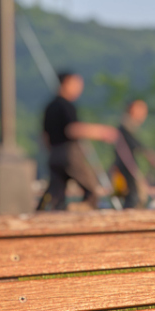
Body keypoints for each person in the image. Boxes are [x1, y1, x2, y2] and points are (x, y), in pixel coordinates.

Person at [41, 72, 117, 210]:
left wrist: (53, 152)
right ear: (67, 83)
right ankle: (75, 210)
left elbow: (44, 136)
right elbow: (73, 129)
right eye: (77, 84)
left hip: (53, 154)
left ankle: (47, 214)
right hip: (69, 154)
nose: (79, 89)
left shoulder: (49, 106)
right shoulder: (66, 105)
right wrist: (102, 132)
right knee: (92, 190)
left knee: (55, 194)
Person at [111, 99, 155, 209]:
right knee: (133, 196)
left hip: (126, 167)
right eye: (141, 109)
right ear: (132, 109)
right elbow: (130, 142)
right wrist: (148, 153)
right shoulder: (124, 126)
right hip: (125, 168)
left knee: (134, 195)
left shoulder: (129, 126)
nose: (144, 114)